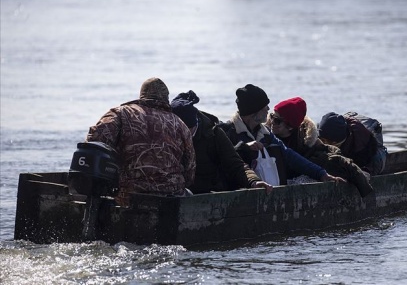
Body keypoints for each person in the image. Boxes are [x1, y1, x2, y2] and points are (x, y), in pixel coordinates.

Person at [86, 77, 196, 205]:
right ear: (166, 98)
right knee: (189, 195)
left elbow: (93, 143)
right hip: (170, 199)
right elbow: (190, 172)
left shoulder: (121, 113)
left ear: (142, 95)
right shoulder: (180, 124)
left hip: (128, 197)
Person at [219, 84, 345, 185]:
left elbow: (290, 156)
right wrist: (244, 147)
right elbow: (223, 162)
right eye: (264, 107)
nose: (268, 109)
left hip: (265, 192)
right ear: (253, 112)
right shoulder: (227, 132)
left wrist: (321, 174)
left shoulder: (265, 134)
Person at [268, 97, 374, 197]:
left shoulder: (306, 144)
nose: (272, 122)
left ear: (290, 126)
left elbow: (336, 160)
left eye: (277, 121)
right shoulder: (265, 135)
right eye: (272, 116)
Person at [171, 90, 273, 194]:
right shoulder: (167, 135)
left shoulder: (213, 134)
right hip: (179, 193)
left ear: (195, 124)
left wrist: (254, 181)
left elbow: (235, 164)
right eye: (178, 130)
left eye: (187, 130)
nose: (183, 134)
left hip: (209, 194)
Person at [318, 111, 387, 176]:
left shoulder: (361, 141)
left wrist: (366, 172)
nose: (324, 143)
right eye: (322, 140)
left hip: (372, 136)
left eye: (327, 141)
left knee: (375, 161)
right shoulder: (322, 134)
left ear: (336, 141)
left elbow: (369, 164)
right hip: (346, 124)